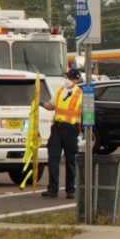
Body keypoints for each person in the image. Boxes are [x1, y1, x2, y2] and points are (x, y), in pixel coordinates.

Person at [39, 68, 83, 199]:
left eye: (70, 78)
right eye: (67, 78)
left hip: (71, 129)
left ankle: (70, 190)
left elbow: (86, 112)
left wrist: (85, 129)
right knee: (53, 158)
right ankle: (53, 189)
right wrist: (41, 103)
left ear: (76, 80)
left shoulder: (80, 94)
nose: (68, 80)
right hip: (57, 128)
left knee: (70, 160)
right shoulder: (59, 91)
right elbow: (51, 105)